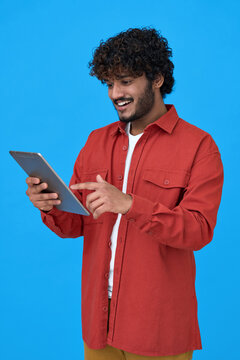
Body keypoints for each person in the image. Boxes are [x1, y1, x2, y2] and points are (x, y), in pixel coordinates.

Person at [25, 28, 224, 360]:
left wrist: (130, 204)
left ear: (157, 78)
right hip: (99, 324)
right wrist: (51, 205)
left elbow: (198, 231)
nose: (114, 93)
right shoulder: (96, 141)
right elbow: (75, 225)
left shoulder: (199, 147)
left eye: (126, 81)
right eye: (109, 84)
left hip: (156, 327)